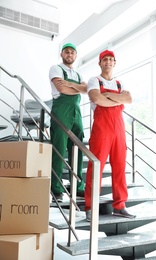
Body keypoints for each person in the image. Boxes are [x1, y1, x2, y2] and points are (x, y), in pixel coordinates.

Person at [84, 50, 136, 221]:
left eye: (110, 59)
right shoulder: (95, 80)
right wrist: (117, 100)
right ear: (100, 63)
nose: (107, 62)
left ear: (115, 63)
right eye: (104, 59)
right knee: (95, 167)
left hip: (119, 129)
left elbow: (128, 99)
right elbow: (97, 99)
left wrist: (108, 95)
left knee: (120, 166)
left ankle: (120, 205)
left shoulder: (119, 83)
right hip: (101, 128)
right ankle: (91, 206)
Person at [49, 43, 87, 202]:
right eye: (67, 52)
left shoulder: (78, 74)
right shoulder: (56, 68)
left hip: (76, 112)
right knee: (59, 148)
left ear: (76, 55)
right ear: (62, 54)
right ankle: (56, 188)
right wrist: (76, 87)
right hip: (61, 110)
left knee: (77, 148)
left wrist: (70, 84)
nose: (69, 54)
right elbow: (62, 89)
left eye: (72, 52)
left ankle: (77, 186)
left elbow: (85, 89)